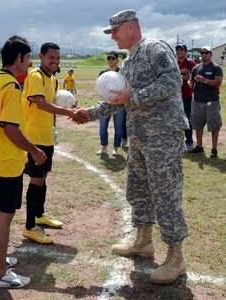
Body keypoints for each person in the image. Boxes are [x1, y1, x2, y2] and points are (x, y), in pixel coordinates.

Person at [76, 9, 189, 284]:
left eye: (114, 31)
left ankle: (176, 257)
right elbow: (118, 99)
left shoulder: (153, 48)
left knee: (165, 194)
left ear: (129, 27)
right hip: (139, 137)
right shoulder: (128, 62)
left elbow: (172, 81)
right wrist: (88, 113)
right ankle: (143, 240)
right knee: (137, 190)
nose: (113, 37)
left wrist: (134, 95)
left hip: (163, 136)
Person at [0, 35, 47, 288]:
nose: (29, 63)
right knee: (5, 215)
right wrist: (34, 150)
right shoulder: (10, 86)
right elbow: (9, 127)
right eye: (28, 58)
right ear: (18, 58)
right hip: (8, 159)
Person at [22, 42, 87, 244]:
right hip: (34, 138)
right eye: (51, 58)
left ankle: (39, 215)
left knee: (42, 178)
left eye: (58, 58)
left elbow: (53, 103)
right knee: (36, 179)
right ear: (41, 56)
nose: (55, 62)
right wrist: (70, 113)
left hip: (46, 136)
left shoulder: (53, 79)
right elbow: (40, 104)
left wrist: (70, 106)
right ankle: (30, 227)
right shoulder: (35, 76)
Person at [188, 46, 223, 158]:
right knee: (197, 125)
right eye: (202, 53)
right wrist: (190, 83)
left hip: (212, 102)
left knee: (214, 126)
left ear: (211, 54)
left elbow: (218, 82)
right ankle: (199, 147)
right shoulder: (196, 68)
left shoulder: (216, 68)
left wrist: (205, 80)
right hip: (197, 101)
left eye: (206, 52)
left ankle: (214, 149)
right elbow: (191, 80)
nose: (203, 55)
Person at [97, 50, 126, 156]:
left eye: (113, 58)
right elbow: (99, 88)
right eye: (109, 58)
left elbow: (126, 87)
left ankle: (115, 149)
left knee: (118, 128)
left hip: (119, 105)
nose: (111, 60)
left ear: (117, 60)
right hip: (106, 104)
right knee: (102, 127)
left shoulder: (122, 72)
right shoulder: (102, 73)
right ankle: (104, 148)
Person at [175, 44, 196, 151]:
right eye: (177, 50)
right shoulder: (172, 62)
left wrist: (182, 74)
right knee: (175, 120)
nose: (179, 52)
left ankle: (189, 141)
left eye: (181, 50)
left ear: (186, 52)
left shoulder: (190, 63)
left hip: (187, 96)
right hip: (174, 97)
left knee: (187, 119)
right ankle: (177, 143)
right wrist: (182, 72)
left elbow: (192, 78)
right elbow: (169, 76)